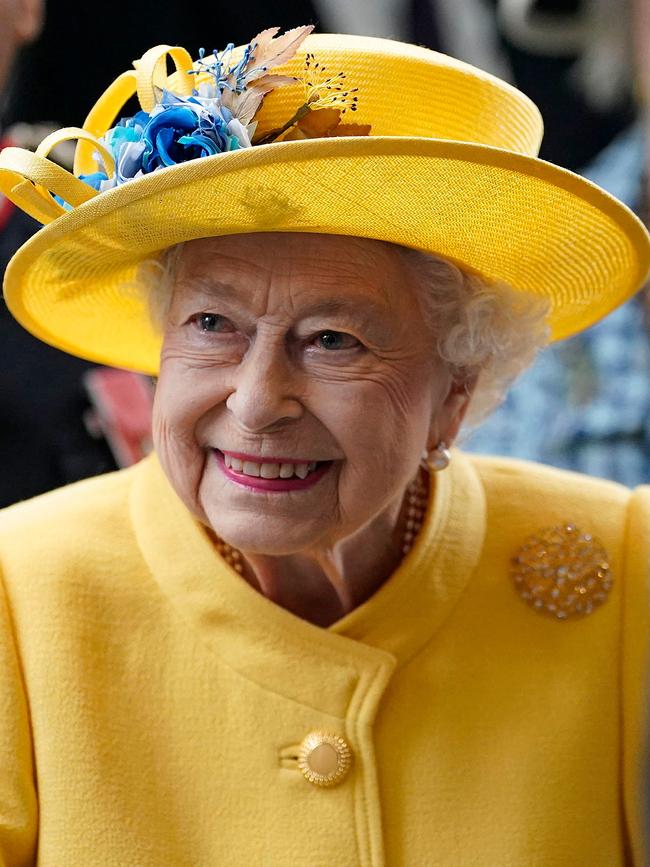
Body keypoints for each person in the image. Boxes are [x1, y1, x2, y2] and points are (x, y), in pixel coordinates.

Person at [0, 27, 648, 866]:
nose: (258, 401)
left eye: (334, 339)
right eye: (212, 324)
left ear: (455, 390)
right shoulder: (19, 591)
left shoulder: (625, 570)